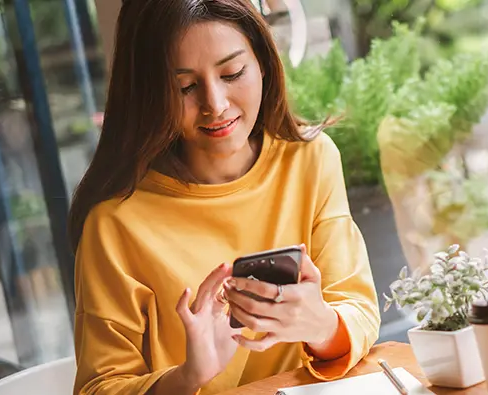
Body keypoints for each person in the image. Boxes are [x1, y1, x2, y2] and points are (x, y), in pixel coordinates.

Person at [67, 1, 381, 394]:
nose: (215, 104)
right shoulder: (115, 223)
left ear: (264, 61)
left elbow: (358, 307)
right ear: (149, 94)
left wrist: (320, 324)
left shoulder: (310, 161)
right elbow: (100, 387)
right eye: (185, 87)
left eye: (232, 73)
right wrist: (187, 376)